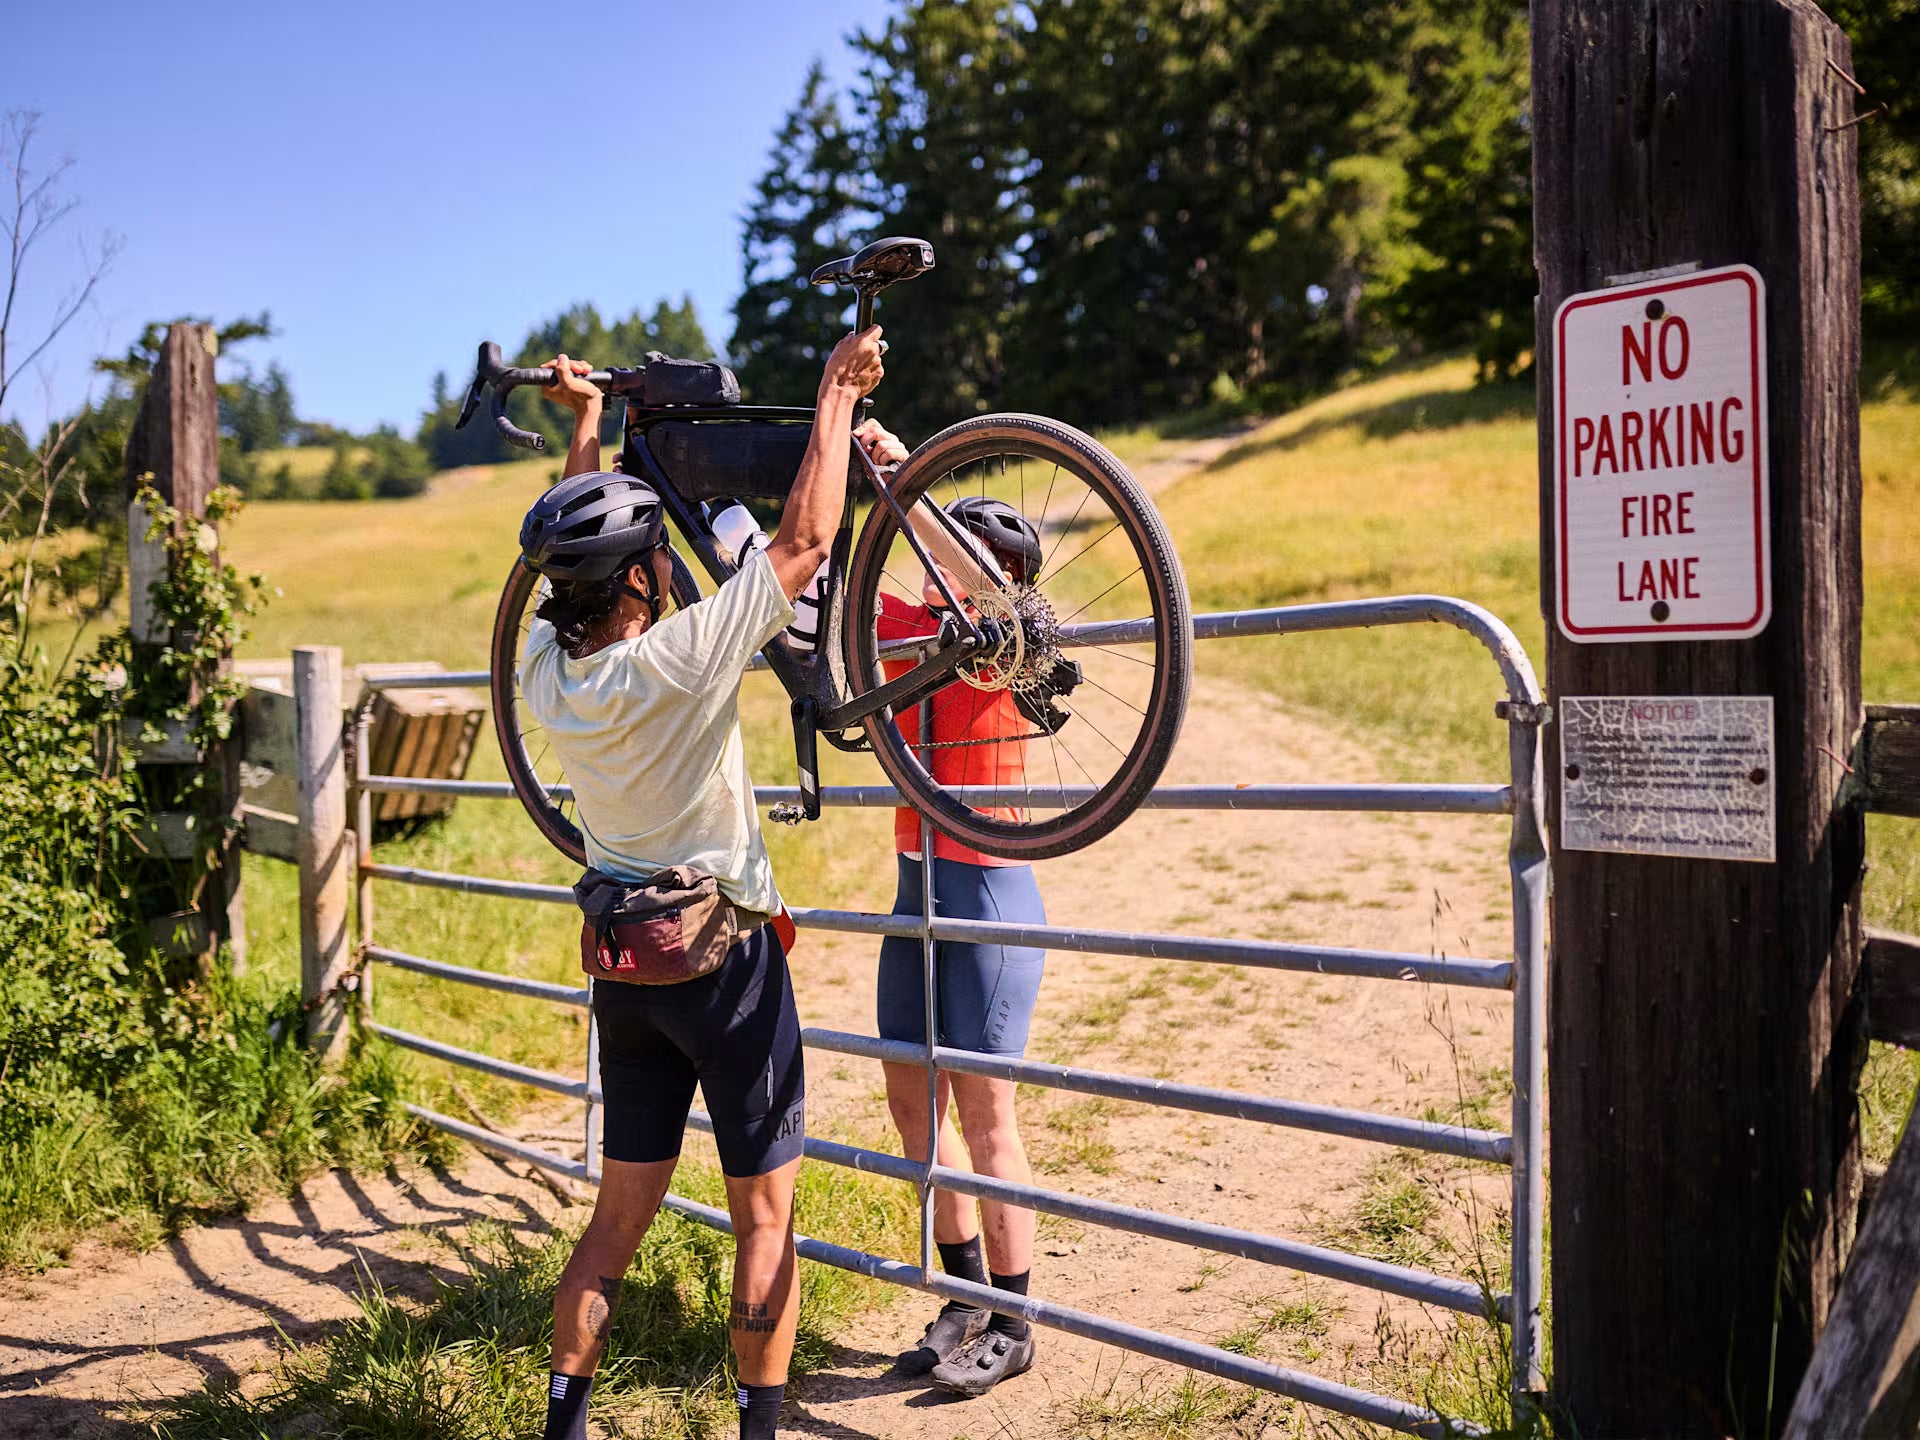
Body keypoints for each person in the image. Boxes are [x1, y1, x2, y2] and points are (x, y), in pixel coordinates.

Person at [518, 329, 890, 1440]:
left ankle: (563, 1425)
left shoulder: (548, 676)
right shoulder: (680, 661)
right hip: (726, 968)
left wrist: (589, 431)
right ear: (643, 574)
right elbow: (805, 542)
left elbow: (571, 538)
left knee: (612, 1225)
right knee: (764, 1218)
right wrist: (835, 394)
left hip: (630, 975)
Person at [871, 493, 1052, 1399]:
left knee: (986, 1121)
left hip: (987, 888)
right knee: (913, 1106)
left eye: (960, 557)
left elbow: (982, 589)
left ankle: (1015, 1323)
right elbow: (808, 582)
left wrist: (904, 478)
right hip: (915, 887)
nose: (937, 571)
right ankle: (966, 1293)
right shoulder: (911, 629)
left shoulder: (1007, 639)